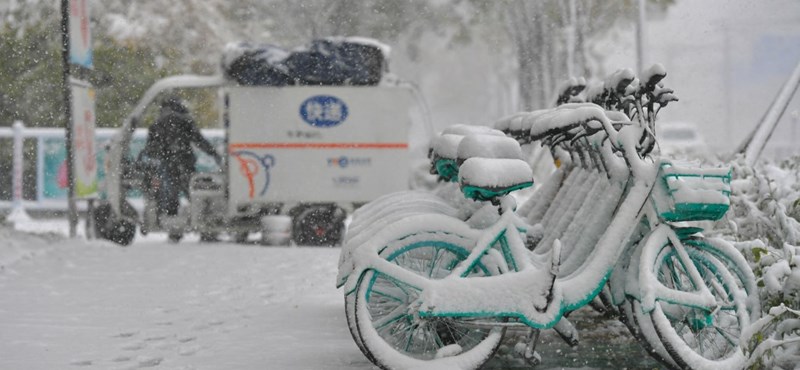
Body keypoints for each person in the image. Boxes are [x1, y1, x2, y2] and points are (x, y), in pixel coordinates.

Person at [139, 94, 222, 217]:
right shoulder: (185, 120)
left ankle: (172, 222)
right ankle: (203, 219)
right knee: (192, 190)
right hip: (185, 160)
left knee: (170, 192)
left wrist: (149, 158)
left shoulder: (157, 123)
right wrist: (214, 153)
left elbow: (151, 148)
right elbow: (199, 140)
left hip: (167, 162)